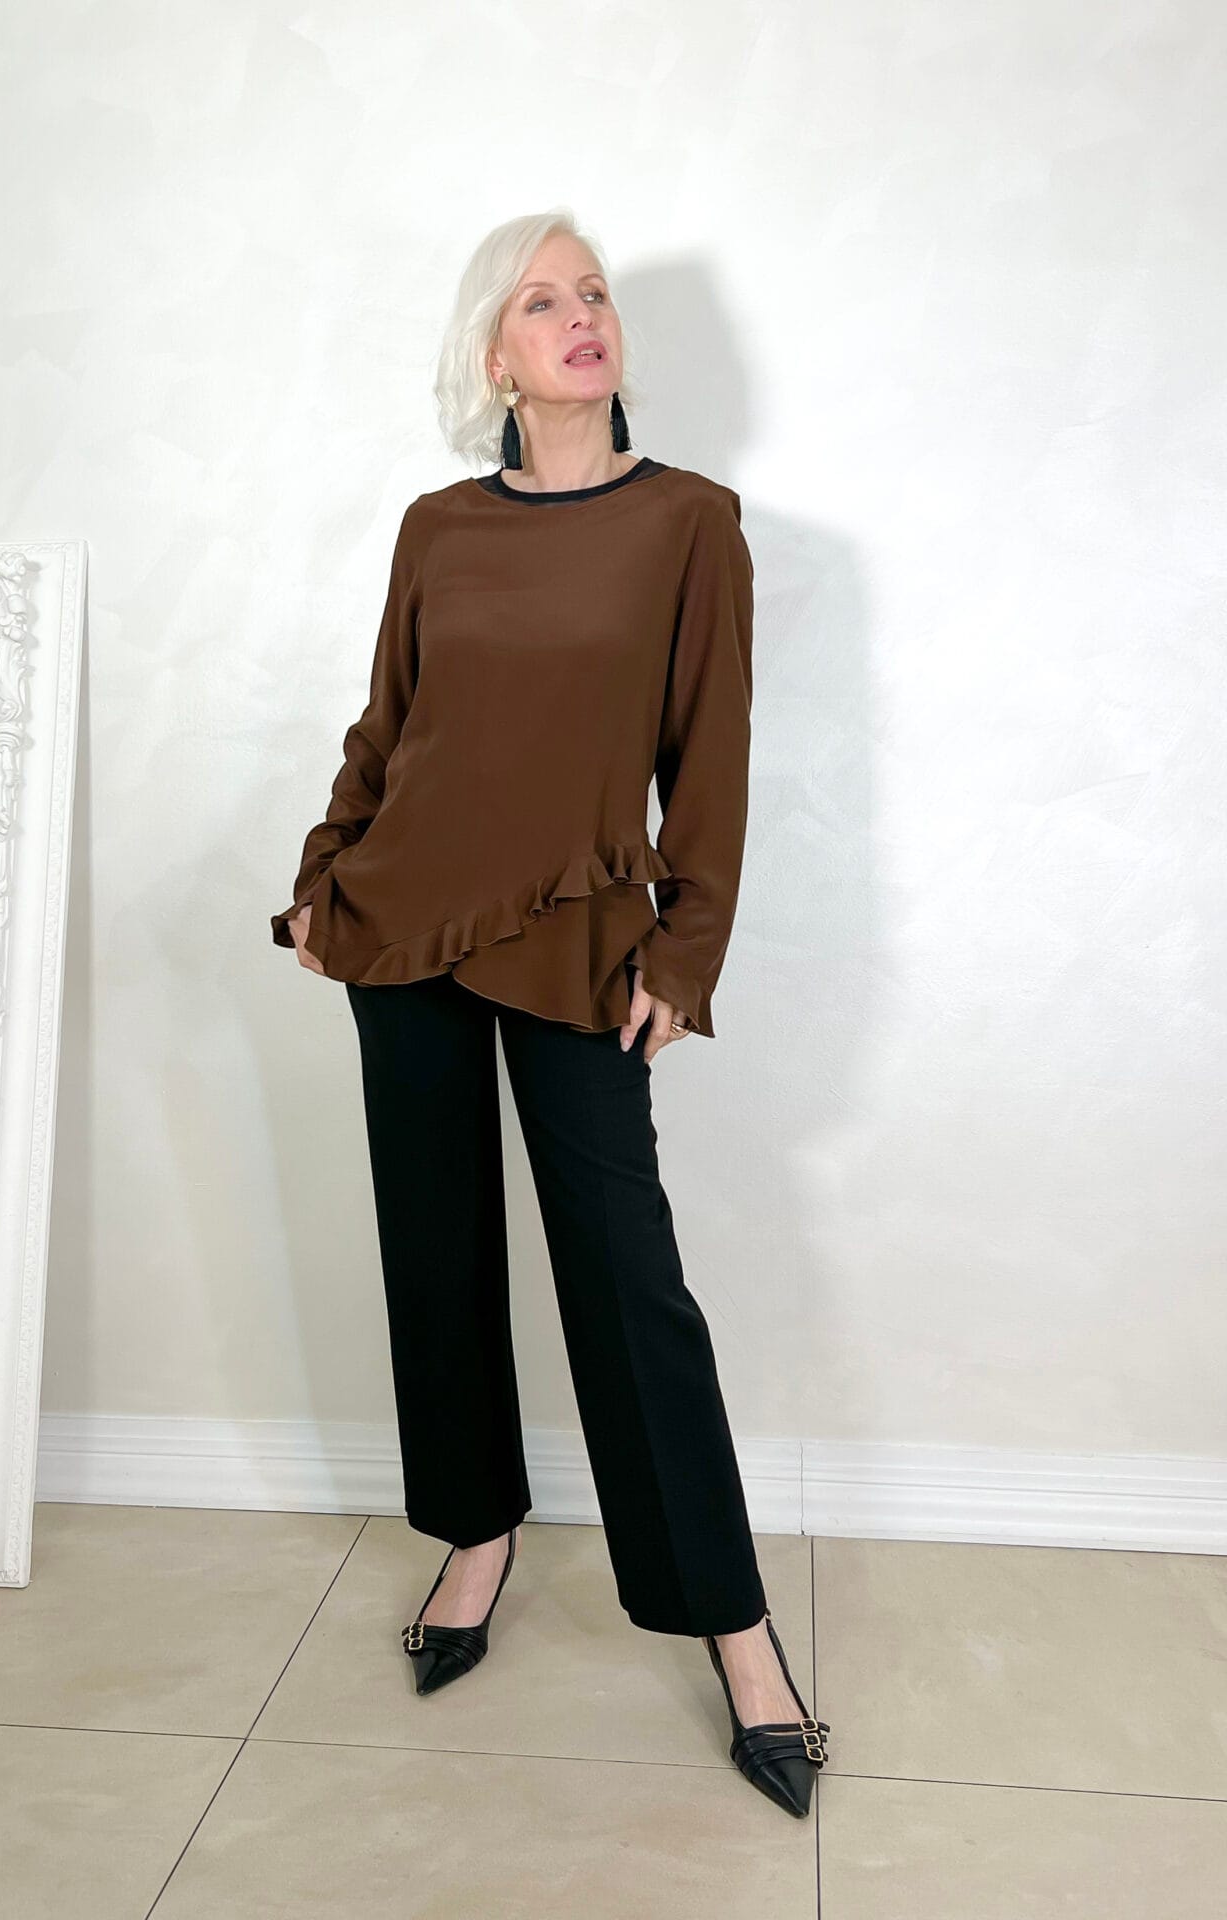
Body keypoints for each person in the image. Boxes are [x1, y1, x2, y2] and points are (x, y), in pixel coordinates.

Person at [271, 209, 826, 1818]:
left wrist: (685, 956)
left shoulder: (689, 525)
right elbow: (389, 727)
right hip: (402, 928)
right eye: (542, 300)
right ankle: (477, 1536)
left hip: (583, 939)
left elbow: (709, 760)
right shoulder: (439, 527)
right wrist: (322, 876)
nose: (582, 316)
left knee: (628, 1281)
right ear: (494, 355)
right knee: (435, 1256)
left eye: (595, 295)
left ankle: (737, 1634)